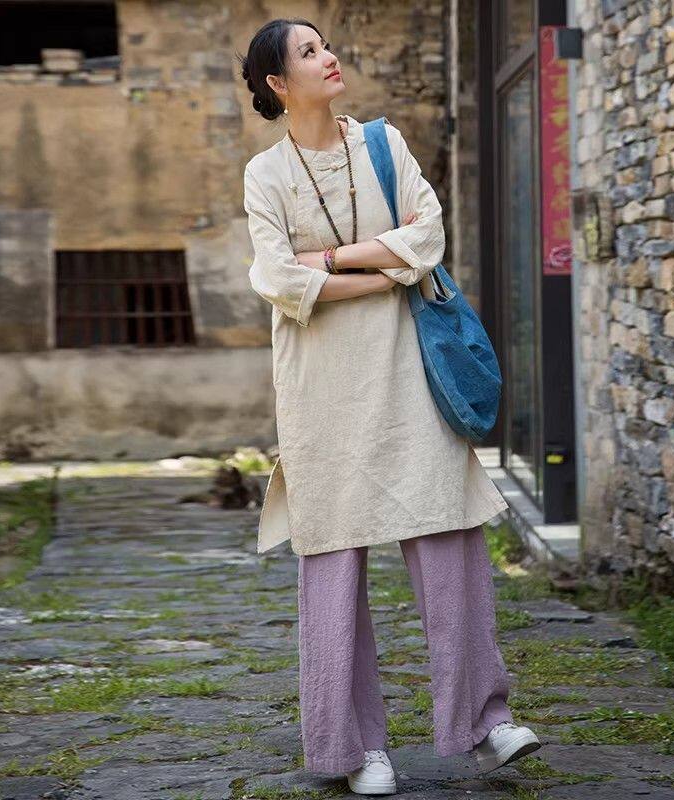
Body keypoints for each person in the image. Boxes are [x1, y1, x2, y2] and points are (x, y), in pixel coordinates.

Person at [237, 17, 541, 795]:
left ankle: (486, 723)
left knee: (450, 538)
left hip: (411, 374)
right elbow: (278, 278)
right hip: (321, 389)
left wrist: (335, 260)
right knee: (334, 561)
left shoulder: (384, 143)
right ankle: (354, 748)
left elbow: (427, 237)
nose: (329, 57)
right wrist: (386, 270)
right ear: (278, 83)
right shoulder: (265, 175)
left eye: (325, 44)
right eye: (309, 52)